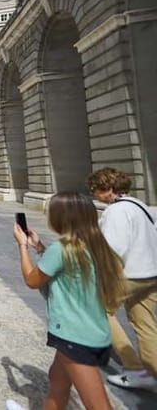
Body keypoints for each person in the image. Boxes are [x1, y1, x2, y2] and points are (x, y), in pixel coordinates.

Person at [6, 192, 123, 410]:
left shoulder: (62, 248)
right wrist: (40, 248)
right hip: (92, 329)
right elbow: (69, 271)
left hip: (74, 335)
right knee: (57, 381)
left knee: (97, 404)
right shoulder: (94, 244)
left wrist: (22, 245)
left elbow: (32, 280)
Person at [89, 167, 157, 390]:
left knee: (100, 310)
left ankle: (136, 369)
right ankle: (153, 373)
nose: (94, 195)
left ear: (108, 189)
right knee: (144, 324)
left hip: (130, 273)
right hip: (151, 273)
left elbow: (112, 248)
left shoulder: (116, 211)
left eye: (96, 190)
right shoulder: (140, 206)